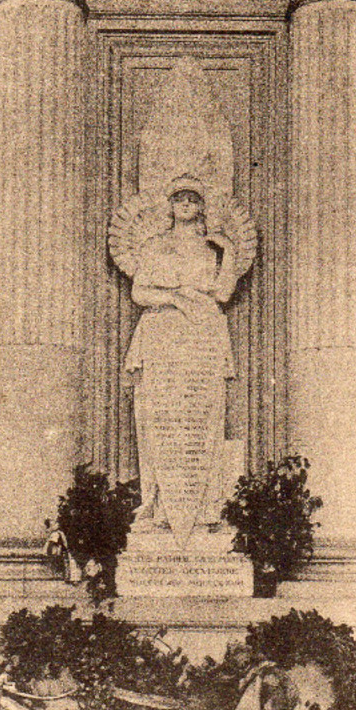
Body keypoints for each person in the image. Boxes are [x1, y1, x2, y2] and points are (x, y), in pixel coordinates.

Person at [125, 175, 240, 537]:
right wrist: (176, 297)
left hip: (202, 337)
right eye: (179, 199)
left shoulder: (212, 250)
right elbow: (140, 292)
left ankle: (205, 507)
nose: (186, 205)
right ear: (170, 206)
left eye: (193, 199)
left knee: (203, 416)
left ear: (202, 206)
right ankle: (159, 506)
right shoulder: (154, 246)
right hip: (163, 334)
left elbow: (222, 294)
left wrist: (229, 252)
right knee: (159, 417)